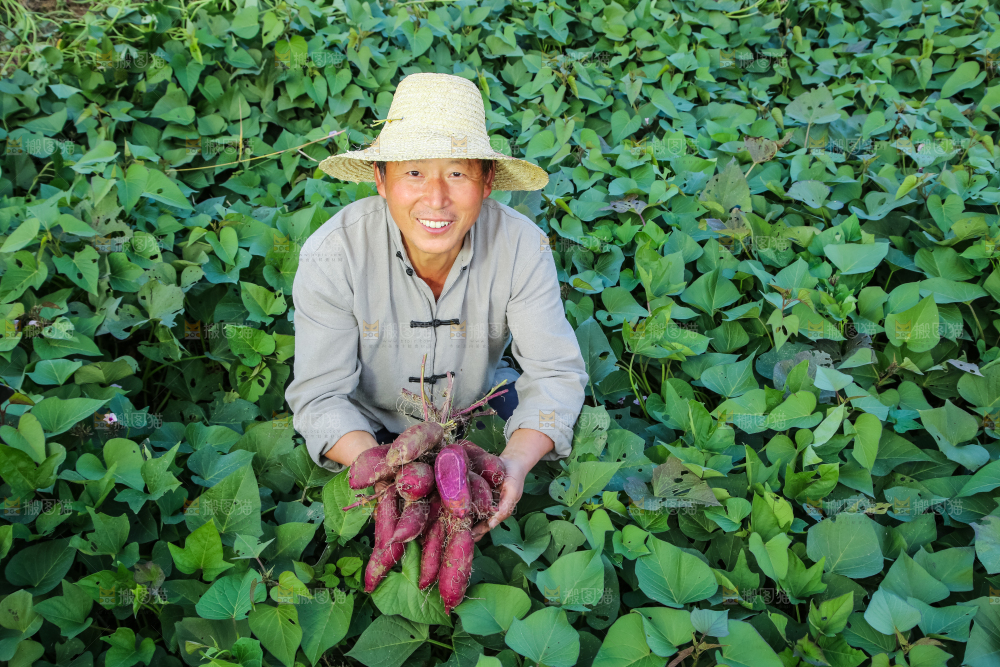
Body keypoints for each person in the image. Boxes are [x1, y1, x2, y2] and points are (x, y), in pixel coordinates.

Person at [285, 72, 588, 542]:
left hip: (477, 412)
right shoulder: (333, 254)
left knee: (555, 435)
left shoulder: (523, 247)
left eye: (457, 173)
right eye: (413, 172)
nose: (436, 198)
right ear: (381, 180)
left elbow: (555, 374)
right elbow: (319, 395)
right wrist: (385, 470)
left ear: (487, 182)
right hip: (369, 430)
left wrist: (513, 462)